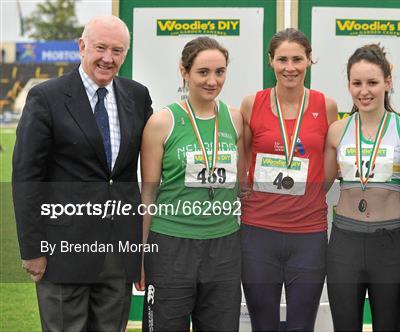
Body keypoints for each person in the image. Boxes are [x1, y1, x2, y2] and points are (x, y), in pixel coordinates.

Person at [12, 15, 153, 331]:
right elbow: (27, 178)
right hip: (63, 252)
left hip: (118, 252)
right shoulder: (46, 97)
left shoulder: (137, 96)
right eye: (100, 48)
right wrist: (32, 250)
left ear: (124, 55)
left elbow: (132, 174)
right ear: (81, 46)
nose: (108, 58)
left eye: (117, 51)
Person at [137, 36, 245, 331]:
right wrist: (142, 255)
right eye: (203, 72)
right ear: (184, 72)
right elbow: (148, 194)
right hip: (171, 245)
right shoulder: (162, 122)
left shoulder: (234, 120)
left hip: (223, 246)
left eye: (220, 72)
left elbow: (241, 186)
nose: (212, 81)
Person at [240, 28, 338, 331]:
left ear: (309, 60)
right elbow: (243, 157)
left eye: (297, 59)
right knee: (263, 324)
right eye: (282, 59)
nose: (290, 67)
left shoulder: (326, 106)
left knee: (301, 325)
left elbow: (330, 166)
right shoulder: (251, 104)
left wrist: (307, 193)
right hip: (258, 232)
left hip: (308, 233)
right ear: (270, 62)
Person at [324, 44, 400, 331]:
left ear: (387, 82)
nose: (364, 91)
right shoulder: (337, 131)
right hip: (345, 243)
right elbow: (319, 191)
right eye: (357, 83)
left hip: (390, 245)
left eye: (372, 82)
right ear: (348, 85)